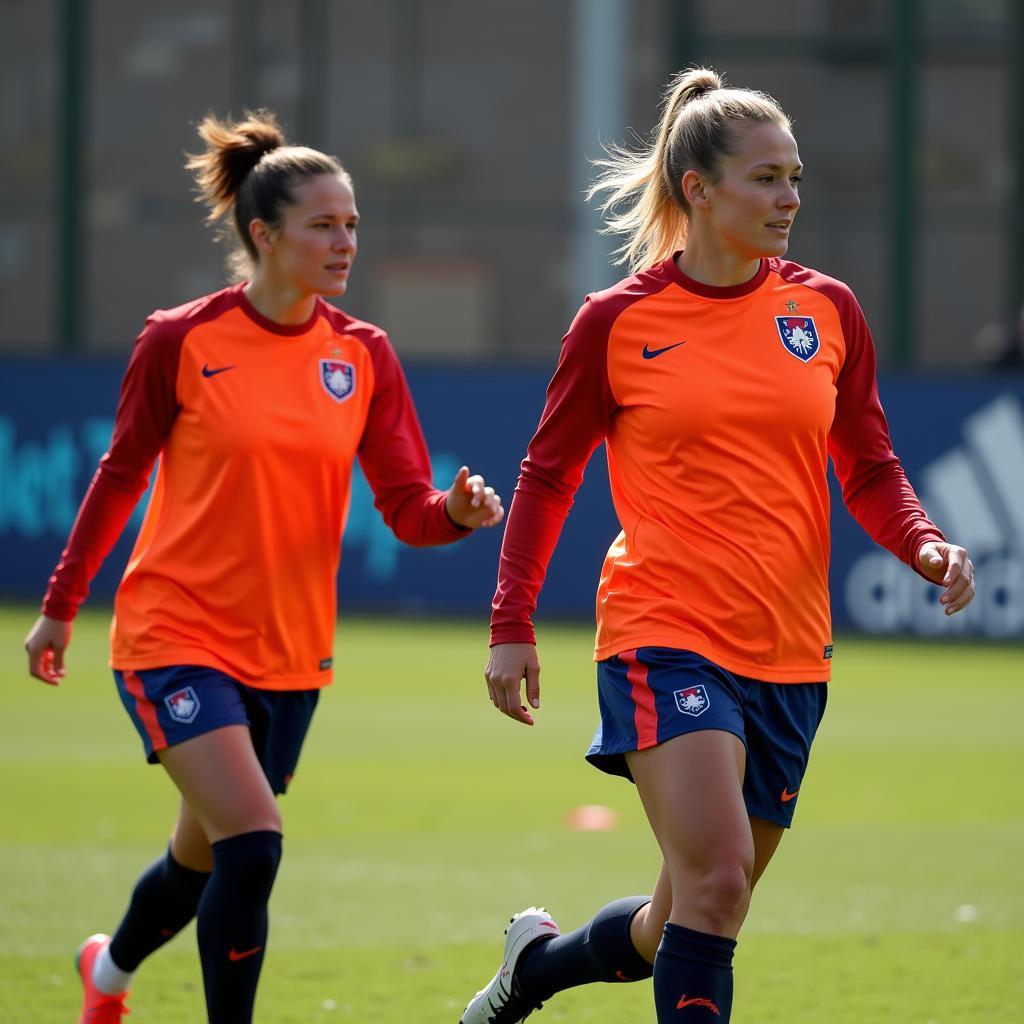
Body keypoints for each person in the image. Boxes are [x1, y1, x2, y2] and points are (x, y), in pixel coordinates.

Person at [461, 67, 976, 1024]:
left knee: (692, 909)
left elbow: (867, 465)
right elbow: (548, 476)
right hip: (665, 631)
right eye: (765, 178)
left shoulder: (827, 311)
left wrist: (925, 544)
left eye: (795, 177)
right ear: (698, 189)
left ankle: (531, 972)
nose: (788, 199)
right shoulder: (616, 322)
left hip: (790, 648)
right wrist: (511, 621)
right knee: (722, 878)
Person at [23, 109, 504, 1024]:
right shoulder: (181, 338)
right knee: (254, 842)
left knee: (200, 860)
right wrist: (60, 606)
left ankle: (108, 974)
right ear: (263, 234)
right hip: (174, 633)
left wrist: (455, 513)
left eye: (353, 223)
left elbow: (406, 510)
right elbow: (121, 475)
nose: (344, 241)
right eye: (323, 224)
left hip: (287, 653)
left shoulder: (362, 356)